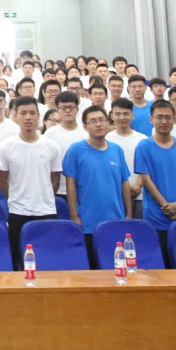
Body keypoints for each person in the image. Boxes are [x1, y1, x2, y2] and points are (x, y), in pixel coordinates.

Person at [0, 97, 62, 267]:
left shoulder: (51, 146)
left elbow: (55, 179)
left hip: (46, 210)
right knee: (19, 261)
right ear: (15, 115)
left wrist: (45, 196)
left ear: (38, 116)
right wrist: (14, 198)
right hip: (18, 211)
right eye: (23, 113)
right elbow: (2, 180)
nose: (28, 117)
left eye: (32, 113)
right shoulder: (6, 147)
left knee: (47, 260)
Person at [63, 105, 132, 258]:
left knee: (115, 263)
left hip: (115, 219)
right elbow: (70, 184)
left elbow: (124, 183)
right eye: (93, 121)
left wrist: (128, 214)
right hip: (87, 222)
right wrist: (74, 215)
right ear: (85, 126)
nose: (98, 124)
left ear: (108, 123)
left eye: (102, 120)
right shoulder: (75, 150)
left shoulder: (117, 150)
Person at [135, 101, 176, 251]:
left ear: (174, 119)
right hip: (156, 217)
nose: (164, 121)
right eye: (159, 117)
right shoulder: (144, 146)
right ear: (151, 119)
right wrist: (167, 207)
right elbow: (146, 180)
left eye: (168, 117)